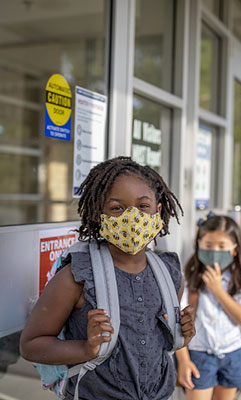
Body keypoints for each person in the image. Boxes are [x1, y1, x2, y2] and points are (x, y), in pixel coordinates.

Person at [20, 156, 196, 400]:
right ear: (97, 215)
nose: (131, 218)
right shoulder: (77, 276)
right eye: (117, 208)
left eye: (143, 206)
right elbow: (31, 344)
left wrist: (182, 334)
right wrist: (85, 348)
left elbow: (156, 342)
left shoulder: (169, 273)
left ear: (158, 210)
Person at [176, 215, 241, 400]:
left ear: (234, 250)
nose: (215, 251)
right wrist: (184, 361)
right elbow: (178, 323)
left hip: (233, 353)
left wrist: (217, 289)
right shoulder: (187, 280)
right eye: (208, 245)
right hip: (199, 354)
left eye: (222, 247)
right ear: (199, 245)